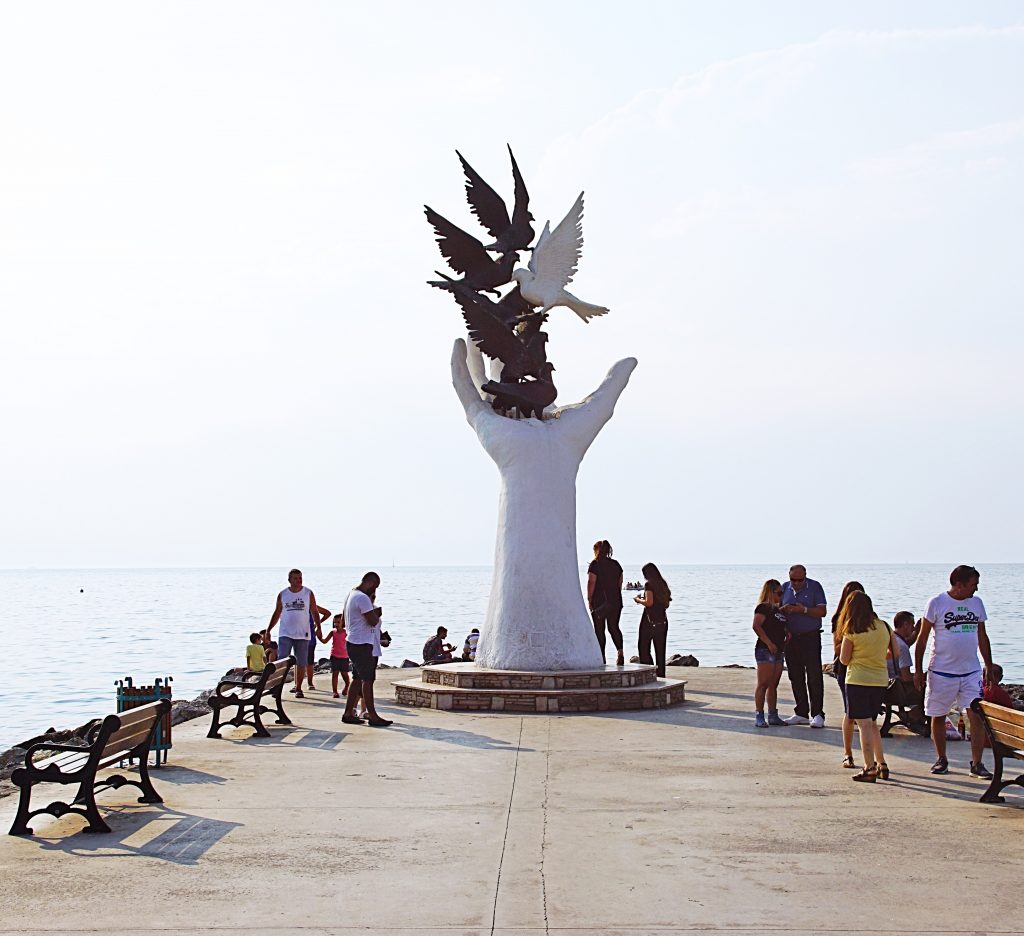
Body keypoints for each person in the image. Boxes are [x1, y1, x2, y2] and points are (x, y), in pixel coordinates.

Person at [914, 565, 995, 778]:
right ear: (959, 585)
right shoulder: (937, 603)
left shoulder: (976, 604)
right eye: (972, 585)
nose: (975, 590)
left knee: (975, 715)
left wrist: (988, 664)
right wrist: (918, 670)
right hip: (941, 671)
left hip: (971, 671)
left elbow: (982, 636)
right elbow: (922, 639)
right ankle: (942, 759)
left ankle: (976, 763)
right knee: (938, 715)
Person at [839, 591, 901, 782]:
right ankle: (882, 763)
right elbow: (895, 652)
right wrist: (877, 657)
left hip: (857, 680)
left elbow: (844, 659)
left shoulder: (852, 631)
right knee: (873, 723)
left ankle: (869, 768)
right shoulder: (884, 627)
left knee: (863, 724)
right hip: (879, 680)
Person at [342, 571, 393, 727]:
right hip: (362, 644)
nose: (375, 591)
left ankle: (348, 712)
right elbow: (372, 621)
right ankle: (372, 715)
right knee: (367, 680)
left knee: (357, 678)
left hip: (353, 641)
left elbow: (345, 620)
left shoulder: (351, 594)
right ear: (370, 583)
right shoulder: (363, 598)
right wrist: (376, 614)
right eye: (375, 587)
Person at [780, 564, 828, 728]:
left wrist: (803, 610)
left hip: (811, 636)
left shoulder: (815, 587)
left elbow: (822, 611)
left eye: (800, 580)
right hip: (791, 638)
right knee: (795, 675)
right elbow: (777, 611)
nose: (797, 583)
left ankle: (817, 713)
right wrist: (785, 610)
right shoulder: (784, 588)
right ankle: (801, 712)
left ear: (805, 577)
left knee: (814, 676)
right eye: (793, 580)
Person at [266, 569, 320, 699]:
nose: (299, 580)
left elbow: (314, 611)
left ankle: (298, 688)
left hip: (303, 633)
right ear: (289, 580)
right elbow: (277, 612)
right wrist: (268, 630)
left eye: (300, 578)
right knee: (282, 660)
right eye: (296, 578)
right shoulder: (283, 594)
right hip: (285, 632)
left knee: (301, 662)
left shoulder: (308, 593)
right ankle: (277, 687)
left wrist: (319, 626)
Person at [831, 581, 865, 767]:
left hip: (865, 668)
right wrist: (851, 643)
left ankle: (869, 756)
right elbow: (837, 649)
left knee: (866, 717)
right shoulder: (840, 620)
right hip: (845, 668)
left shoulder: (870, 620)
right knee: (850, 712)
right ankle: (848, 753)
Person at [751, 579, 787, 727]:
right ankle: (759, 714)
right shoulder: (763, 608)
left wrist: (786, 632)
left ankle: (773, 714)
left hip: (779, 649)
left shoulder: (779, 610)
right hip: (765, 649)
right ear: (770, 592)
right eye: (778, 593)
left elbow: (778, 626)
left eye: (782, 593)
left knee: (773, 683)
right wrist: (769, 643)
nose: (781, 596)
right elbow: (757, 626)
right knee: (763, 683)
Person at [587, 540, 625, 665]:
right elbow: (619, 584)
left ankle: (602, 656)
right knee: (614, 627)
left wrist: (589, 599)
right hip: (615, 601)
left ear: (597, 550)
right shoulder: (616, 565)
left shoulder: (595, 564)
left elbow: (591, 582)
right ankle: (620, 653)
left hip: (599, 602)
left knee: (599, 629)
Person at [886, 611, 926, 729]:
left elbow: (907, 642)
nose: (913, 628)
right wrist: (922, 676)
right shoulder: (902, 647)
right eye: (912, 624)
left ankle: (915, 714)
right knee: (929, 689)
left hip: (886, 685)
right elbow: (906, 677)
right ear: (905, 625)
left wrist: (917, 632)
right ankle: (913, 715)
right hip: (898, 690)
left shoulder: (891, 639)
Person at [634, 562, 671, 677]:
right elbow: (666, 603)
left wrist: (638, 600)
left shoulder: (649, 585)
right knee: (660, 650)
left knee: (643, 647)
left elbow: (649, 602)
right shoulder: (662, 584)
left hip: (649, 620)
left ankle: (649, 672)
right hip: (662, 620)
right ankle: (661, 675)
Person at [317, 613, 351, 698]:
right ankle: (335, 692)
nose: (336, 624)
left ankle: (347, 687)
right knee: (335, 674)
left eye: (338, 622)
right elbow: (324, 641)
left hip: (344, 657)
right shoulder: (333, 633)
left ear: (343, 622)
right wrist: (319, 637)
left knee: (345, 674)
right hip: (334, 656)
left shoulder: (347, 633)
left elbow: (351, 643)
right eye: (335, 622)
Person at [303, 603, 332, 691]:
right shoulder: (297, 606)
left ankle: (310, 683)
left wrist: (317, 624)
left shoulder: (310, 605)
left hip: (310, 637)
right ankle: (298, 685)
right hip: (298, 636)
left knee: (310, 661)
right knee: (299, 661)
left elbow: (327, 613)